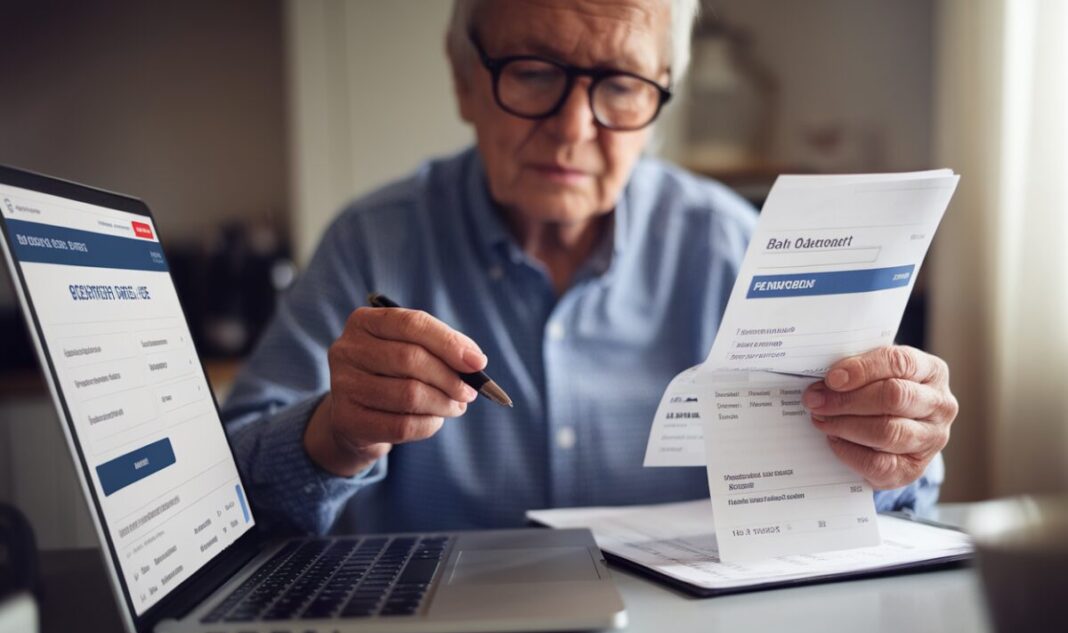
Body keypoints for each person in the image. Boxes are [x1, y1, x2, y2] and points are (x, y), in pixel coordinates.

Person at [222, 0, 959, 535]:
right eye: (535, 73)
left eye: (620, 86)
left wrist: (891, 450)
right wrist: (335, 436)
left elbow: (886, 505)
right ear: (463, 78)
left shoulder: (733, 247)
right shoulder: (371, 243)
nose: (574, 129)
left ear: (660, 97)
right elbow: (226, 495)